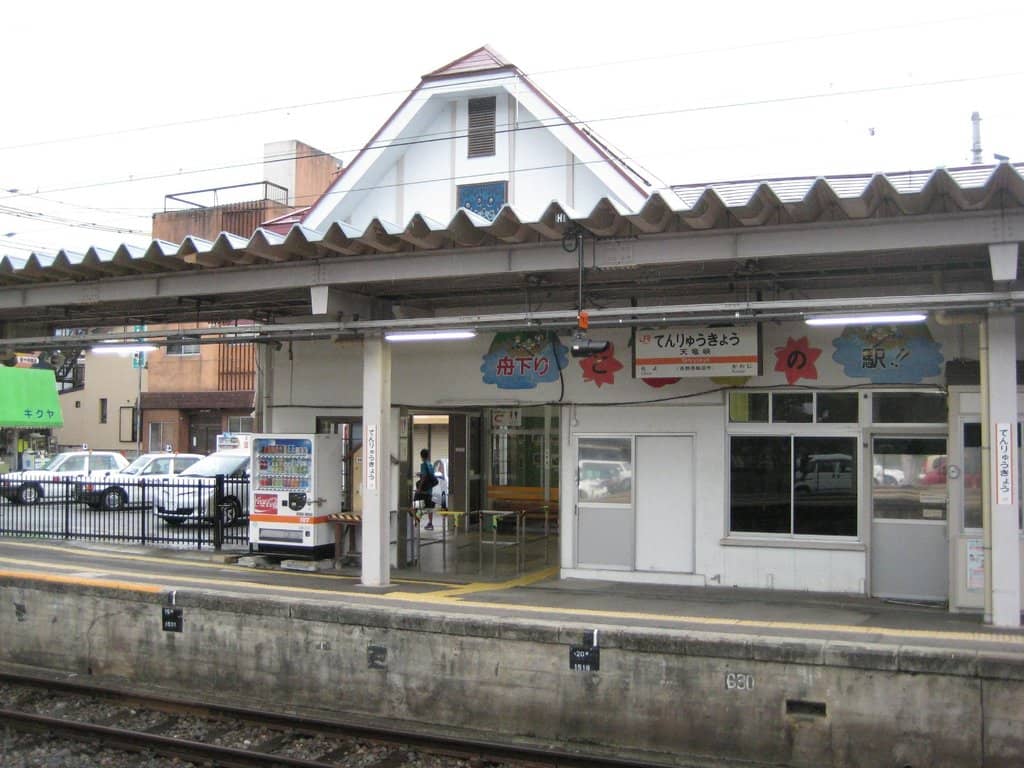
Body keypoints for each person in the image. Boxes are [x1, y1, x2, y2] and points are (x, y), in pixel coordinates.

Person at [415, 448, 437, 530]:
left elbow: (424, 477)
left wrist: (419, 489)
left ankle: (416, 522)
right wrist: (421, 474)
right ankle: (430, 523)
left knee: (415, 506)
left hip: (423, 491)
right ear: (428, 456)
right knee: (429, 507)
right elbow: (428, 476)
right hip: (430, 490)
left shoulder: (423, 465)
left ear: (421, 456)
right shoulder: (430, 465)